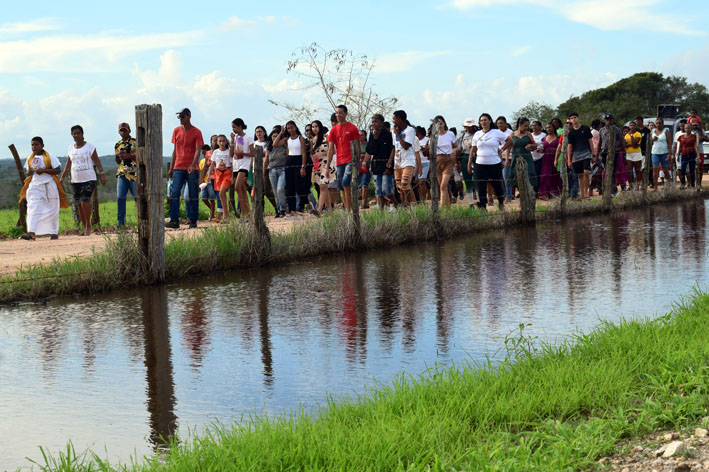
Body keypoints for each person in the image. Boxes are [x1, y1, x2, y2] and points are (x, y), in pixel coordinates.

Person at [60, 125, 107, 236]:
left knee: (84, 201)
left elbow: (97, 160)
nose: (76, 135)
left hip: (89, 178)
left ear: (82, 134)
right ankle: (84, 225)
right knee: (78, 204)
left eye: (78, 133)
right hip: (75, 179)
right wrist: (62, 177)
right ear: (72, 135)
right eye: (74, 133)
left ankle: (88, 227)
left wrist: (103, 174)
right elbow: (68, 164)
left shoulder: (89, 147)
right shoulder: (71, 148)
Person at [18, 137, 68, 240]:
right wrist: (31, 171)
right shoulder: (30, 158)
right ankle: (31, 233)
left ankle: (54, 233)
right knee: (33, 207)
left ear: (42, 146)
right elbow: (28, 172)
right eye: (32, 145)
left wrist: (44, 170)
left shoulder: (50, 156)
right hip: (35, 185)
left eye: (36, 144)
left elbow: (57, 170)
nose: (34, 147)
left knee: (52, 209)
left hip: (49, 185)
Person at [167, 108, 204, 229]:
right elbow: (174, 151)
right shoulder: (176, 130)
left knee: (193, 194)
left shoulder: (197, 132)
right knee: (175, 192)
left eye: (182, 116)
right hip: (178, 166)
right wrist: (171, 168)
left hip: (191, 168)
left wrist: (193, 165)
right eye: (179, 117)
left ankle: (193, 220)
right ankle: (174, 220)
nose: (180, 119)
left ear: (189, 116)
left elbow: (198, 150)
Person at [467, 113, 507, 210]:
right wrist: (469, 163)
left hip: (494, 163)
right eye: (481, 120)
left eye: (485, 120)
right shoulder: (477, 134)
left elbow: (509, 140)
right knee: (481, 185)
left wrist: (501, 150)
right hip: (480, 163)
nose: (483, 122)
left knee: (497, 184)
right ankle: (483, 206)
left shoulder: (496, 132)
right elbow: (473, 149)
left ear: (489, 121)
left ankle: (501, 202)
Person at [326, 104, 360, 211]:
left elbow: (357, 146)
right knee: (341, 186)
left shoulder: (352, 128)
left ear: (346, 114)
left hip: (350, 160)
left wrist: (357, 162)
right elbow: (331, 149)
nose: (338, 115)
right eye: (336, 113)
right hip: (339, 161)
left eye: (340, 113)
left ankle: (350, 208)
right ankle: (346, 208)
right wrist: (327, 166)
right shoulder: (333, 130)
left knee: (346, 182)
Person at [365, 113, 396, 210]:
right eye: (372, 122)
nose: (374, 124)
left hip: (386, 164)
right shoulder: (372, 134)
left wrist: (389, 164)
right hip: (376, 164)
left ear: (381, 123)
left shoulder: (388, 135)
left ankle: (396, 203)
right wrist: (374, 137)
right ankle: (382, 208)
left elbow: (391, 149)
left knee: (386, 190)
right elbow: (370, 150)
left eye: (376, 122)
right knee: (378, 190)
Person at [392, 110, 419, 206]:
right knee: (399, 187)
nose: (393, 121)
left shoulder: (410, 130)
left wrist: (398, 135)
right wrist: (390, 160)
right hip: (397, 162)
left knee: (405, 184)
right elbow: (394, 147)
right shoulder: (394, 131)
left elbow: (406, 146)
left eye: (394, 119)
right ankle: (405, 205)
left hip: (407, 160)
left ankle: (413, 204)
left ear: (400, 119)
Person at [505, 117, 539, 193]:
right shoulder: (513, 134)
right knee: (516, 175)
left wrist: (530, 146)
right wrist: (507, 159)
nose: (526, 128)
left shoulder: (528, 134)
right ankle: (521, 193)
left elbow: (535, 145)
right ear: (520, 124)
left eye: (527, 126)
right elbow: (508, 147)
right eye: (525, 126)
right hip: (516, 158)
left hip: (527, 158)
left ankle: (529, 192)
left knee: (529, 174)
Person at [230, 118, 254, 221]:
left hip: (244, 164)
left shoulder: (248, 138)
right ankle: (248, 214)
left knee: (237, 187)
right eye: (232, 127)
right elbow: (231, 154)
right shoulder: (236, 138)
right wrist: (232, 140)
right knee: (242, 190)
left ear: (240, 126)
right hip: (236, 165)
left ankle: (245, 213)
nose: (234, 129)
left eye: (235, 127)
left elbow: (253, 153)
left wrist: (243, 153)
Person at [565, 112, 593, 199]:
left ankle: (586, 192)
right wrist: (569, 160)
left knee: (586, 172)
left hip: (586, 153)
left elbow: (590, 141)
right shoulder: (571, 133)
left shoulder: (585, 128)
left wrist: (593, 153)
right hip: (576, 156)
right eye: (572, 118)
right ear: (570, 120)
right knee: (580, 175)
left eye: (575, 117)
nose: (574, 119)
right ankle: (582, 194)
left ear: (578, 118)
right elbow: (569, 146)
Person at [310, 120, 335, 214]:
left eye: (316, 126)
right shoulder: (312, 140)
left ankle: (319, 210)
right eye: (313, 127)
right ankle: (331, 211)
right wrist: (314, 156)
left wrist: (322, 153)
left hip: (327, 163)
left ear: (320, 127)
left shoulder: (326, 137)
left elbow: (333, 151)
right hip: (317, 165)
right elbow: (312, 152)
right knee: (323, 187)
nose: (314, 128)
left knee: (323, 186)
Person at [114, 122, 137, 227]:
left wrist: (129, 156)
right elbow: (118, 161)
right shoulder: (118, 144)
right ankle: (120, 223)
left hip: (134, 174)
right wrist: (118, 156)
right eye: (121, 130)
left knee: (138, 198)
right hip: (122, 173)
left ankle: (142, 221)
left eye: (125, 130)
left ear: (129, 130)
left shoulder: (135, 142)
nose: (123, 132)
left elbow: (140, 157)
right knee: (120, 198)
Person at [597, 114, 626, 196]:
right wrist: (596, 154)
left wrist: (624, 155)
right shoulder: (601, 130)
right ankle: (607, 188)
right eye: (607, 120)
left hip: (615, 152)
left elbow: (622, 142)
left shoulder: (617, 130)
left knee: (613, 170)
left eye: (610, 119)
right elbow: (599, 142)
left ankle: (613, 189)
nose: (608, 121)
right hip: (604, 152)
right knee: (605, 169)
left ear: (613, 120)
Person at [432, 115, 457, 206]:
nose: (440, 125)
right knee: (442, 186)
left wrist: (454, 151)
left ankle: (442, 206)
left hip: (448, 160)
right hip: (437, 161)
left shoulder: (450, 134)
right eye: (437, 124)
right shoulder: (433, 136)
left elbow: (456, 146)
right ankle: (447, 207)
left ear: (444, 123)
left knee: (443, 185)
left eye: (441, 123)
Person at [283, 120, 306, 216]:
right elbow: (275, 144)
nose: (290, 130)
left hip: (298, 160)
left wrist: (303, 166)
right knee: (289, 187)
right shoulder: (287, 139)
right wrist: (281, 132)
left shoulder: (300, 138)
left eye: (292, 127)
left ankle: (304, 204)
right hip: (289, 161)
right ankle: (292, 209)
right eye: (288, 128)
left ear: (295, 127)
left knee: (298, 185)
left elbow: (304, 152)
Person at [264, 126, 288, 218]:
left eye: (276, 136)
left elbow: (286, 155)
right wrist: (263, 172)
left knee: (280, 189)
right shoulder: (269, 146)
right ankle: (278, 210)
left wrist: (281, 134)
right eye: (273, 136)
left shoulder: (284, 143)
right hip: (272, 170)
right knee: (274, 191)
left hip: (282, 169)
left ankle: (283, 208)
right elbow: (266, 160)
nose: (275, 137)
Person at [210, 135, 232, 223]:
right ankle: (225, 215)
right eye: (220, 141)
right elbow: (213, 163)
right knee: (220, 194)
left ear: (226, 142)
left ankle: (226, 216)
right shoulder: (215, 152)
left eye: (223, 141)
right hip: (218, 174)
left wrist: (232, 176)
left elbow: (232, 164)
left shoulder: (229, 151)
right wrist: (209, 174)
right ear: (217, 142)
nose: (222, 143)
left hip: (227, 173)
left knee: (222, 193)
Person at [538, 123, 562, 199]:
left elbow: (562, 148)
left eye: (550, 127)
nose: (548, 129)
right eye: (547, 127)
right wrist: (540, 150)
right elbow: (543, 148)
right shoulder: (544, 138)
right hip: (546, 159)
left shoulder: (558, 138)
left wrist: (556, 150)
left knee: (555, 175)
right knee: (545, 176)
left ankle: (555, 193)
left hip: (556, 158)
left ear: (553, 128)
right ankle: (544, 194)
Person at [650, 118, 672, 190]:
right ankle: (655, 187)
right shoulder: (653, 130)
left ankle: (669, 184)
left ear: (662, 124)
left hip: (664, 152)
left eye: (660, 123)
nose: (658, 125)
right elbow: (649, 141)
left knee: (665, 169)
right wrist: (652, 139)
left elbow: (669, 143)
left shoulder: (666, 131)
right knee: (655, 169)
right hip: (655, 152)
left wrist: (669, 154)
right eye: (657, 123)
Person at [458, 119, 476, 204]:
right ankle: (470, 202)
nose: (468, 128)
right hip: (465, 156)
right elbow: (459, 148)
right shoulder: (462, 136)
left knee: (477, 179)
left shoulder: (477, 134)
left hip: (476, 157)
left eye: (470, 126)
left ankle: (480, 200)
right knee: (467, 180)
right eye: (467, 126)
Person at [198, 144, 218, 221]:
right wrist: (201, 179)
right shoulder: (202, 161)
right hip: (204, 181)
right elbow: (202, 171)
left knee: (212, 199)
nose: (203, 155)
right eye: (202, 153)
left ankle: (212, 214)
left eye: (204, 153)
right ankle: (212, 210)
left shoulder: (211, 159)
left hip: (211, 181)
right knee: (203, 198)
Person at [496, 116, 513, 200]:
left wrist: (506, 159)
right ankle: (502, 194)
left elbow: (510, 145)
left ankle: (509, 196)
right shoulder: (496, 132)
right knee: (499, 177)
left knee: (506, 176)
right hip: (497, 157)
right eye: (498, 123)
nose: (500, 125)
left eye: (501, 123)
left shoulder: (510, 132)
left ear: (506, 124)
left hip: (508, 156)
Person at [677, 122, 698, 188]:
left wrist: (698, 154)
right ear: (684, 129)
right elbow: (680, 146)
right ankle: (683, 184)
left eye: (688, 128)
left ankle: (692, 184)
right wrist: (677, 155)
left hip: (692, 154)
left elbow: (695, 146)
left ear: (691, 128)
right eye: (686, 128)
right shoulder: (681, 137)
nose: (687, 129)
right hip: (683, 154)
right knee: (682, 169)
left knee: (692, 170)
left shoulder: (694, 136)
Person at [624, 121, 643, 190]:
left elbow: (635, 144)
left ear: (635, 126)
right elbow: (624, 145)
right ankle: (631, 185)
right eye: (630, 125)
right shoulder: (626, 135)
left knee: (637, 170)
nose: (632, 127)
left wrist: (631, 136)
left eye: (633, 125)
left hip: (636, 153)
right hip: (628, 154)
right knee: (629, 171)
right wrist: (629, 145)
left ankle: (637, 185)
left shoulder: (638, 134)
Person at [415, 126, 430, 202]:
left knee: (422, 181)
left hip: (425, 162)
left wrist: (422, 148)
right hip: (416, 163)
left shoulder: (427, 140)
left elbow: (428, 150)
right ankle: (419, 199)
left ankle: (423, 199)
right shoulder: (414, 139)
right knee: (416, 183)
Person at [530, 120, 546, 193]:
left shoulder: (544, 135)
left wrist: (542, 149)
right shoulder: (530, 135)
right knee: (532, 174)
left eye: (535, 125)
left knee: (538, 173)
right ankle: (533, 189)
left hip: (541, 157)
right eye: (533, 125)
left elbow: (546, 145)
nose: (534, 127)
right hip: (531, 157)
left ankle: (537, 190)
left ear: (540, 127)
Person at [357, 129, 371, 209]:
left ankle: (363, 201)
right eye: (359, 135)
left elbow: (369, 154)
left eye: (362, 135)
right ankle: (365, 202)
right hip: (358, 167)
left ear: (365, 136)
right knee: (359, 184)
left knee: (365, 184)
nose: (360, 136)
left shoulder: (368, 145)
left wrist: (363, 156)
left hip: (366, 166)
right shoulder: (356, 144)